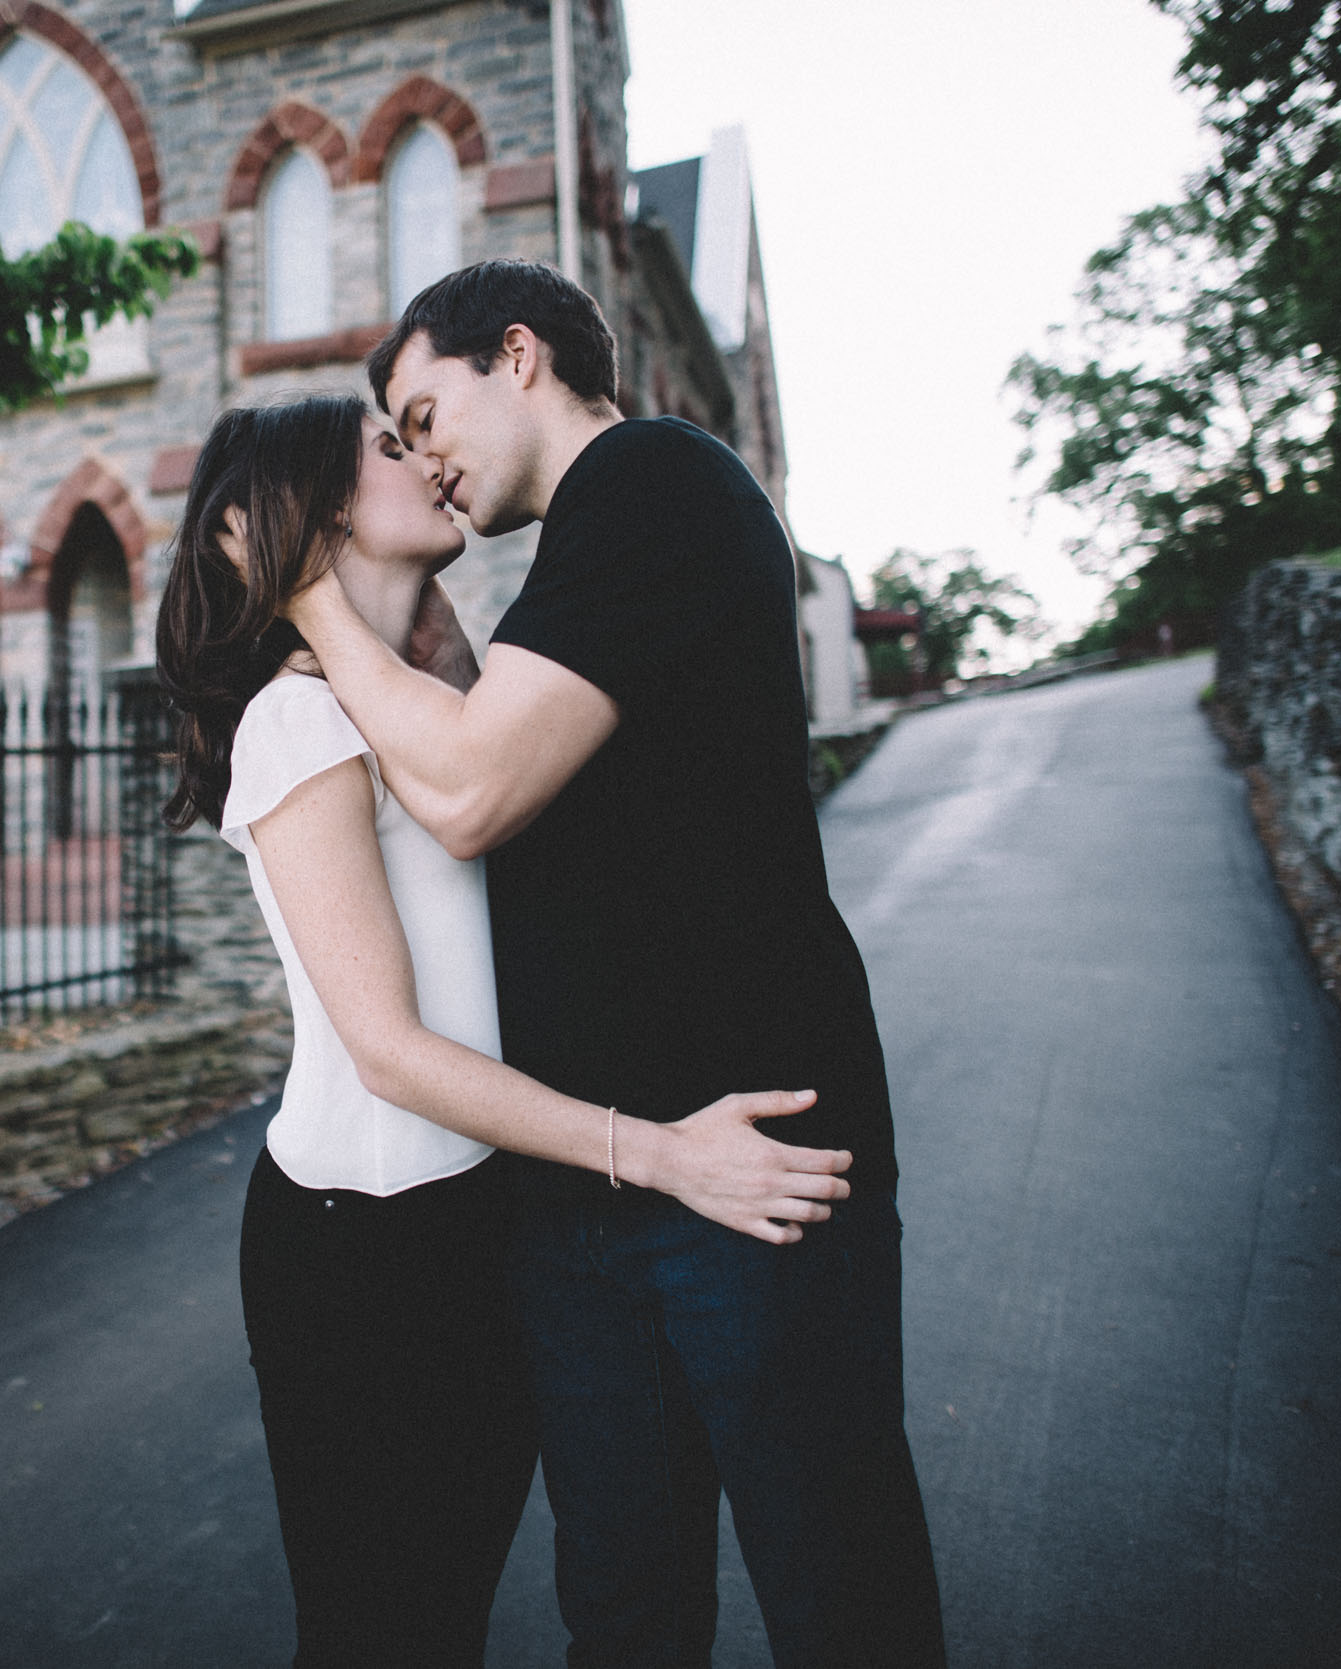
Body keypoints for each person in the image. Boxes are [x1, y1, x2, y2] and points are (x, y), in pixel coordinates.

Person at [280, 261, 948, 1667]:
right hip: (582, 1203)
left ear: (515, 352)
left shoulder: (657, 481)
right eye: (392, 442)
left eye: (421, 412)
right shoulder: (573, 566)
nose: (422, 460)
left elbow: (464, 795)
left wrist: (308, 599)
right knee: (628, 1618)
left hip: (752, 1169)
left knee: (839, 1597)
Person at [154, 395, 856, 1668]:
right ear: (311, 515)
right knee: (387, 1633)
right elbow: (390, 1050)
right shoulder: (295, 721)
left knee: (456, 1610)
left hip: (483, 1224)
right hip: (358, 1251)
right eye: (386, 445)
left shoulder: (423, 706)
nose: (423, 457)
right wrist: (662, 1153)